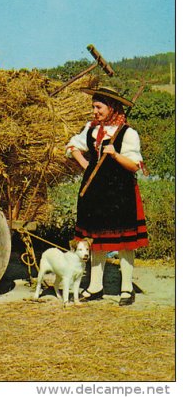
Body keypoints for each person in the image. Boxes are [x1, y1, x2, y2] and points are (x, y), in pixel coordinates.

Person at [65, 86, 148, 306]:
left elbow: (134, 165)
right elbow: (73, 145)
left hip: (121, 193)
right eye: (93, 106)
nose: (94, 111)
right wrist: (86, 165)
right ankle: (95, 287)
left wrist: (115, 155)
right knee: (95, 239)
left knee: (124, 244)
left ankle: (126, 289)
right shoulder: (92, 130)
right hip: (94, 194)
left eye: (98, 107)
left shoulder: (127, 133)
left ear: (111, 108)